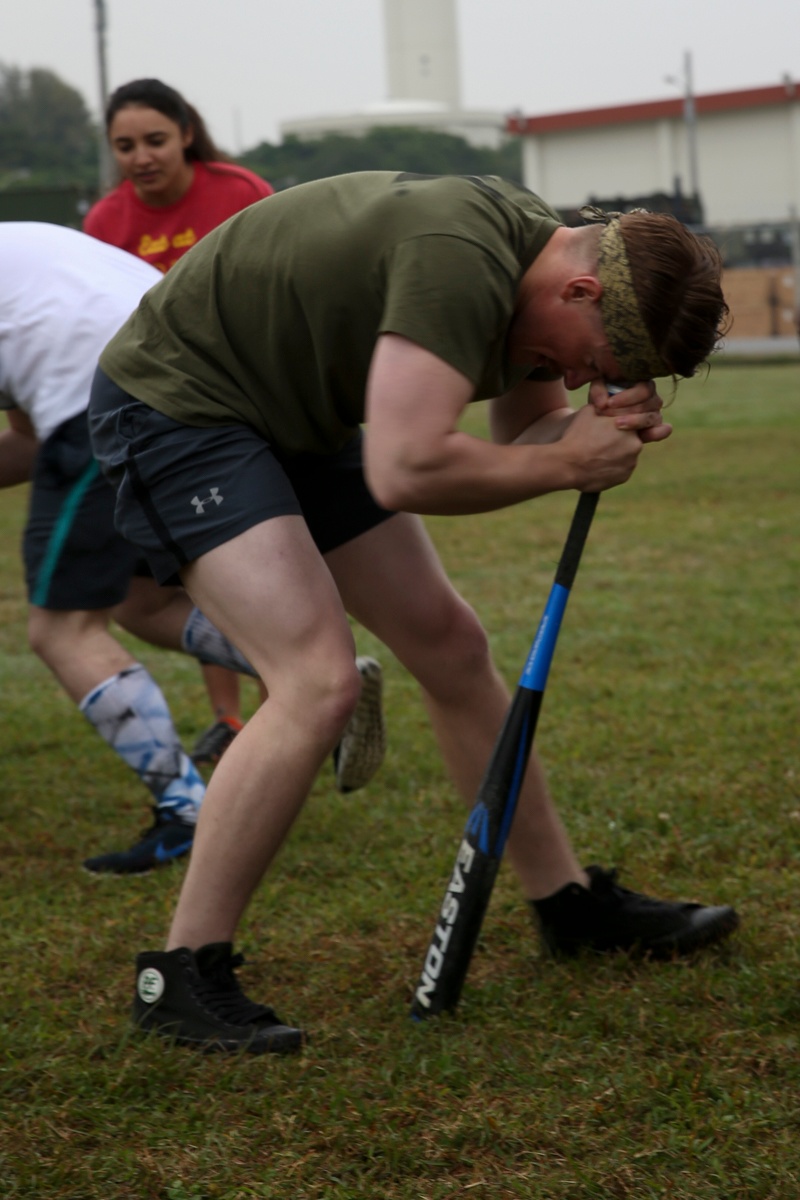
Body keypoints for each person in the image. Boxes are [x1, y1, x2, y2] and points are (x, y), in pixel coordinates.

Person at [89, 172, 739, 1054]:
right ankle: (179, 974)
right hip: (182, 406)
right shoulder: (459, 260)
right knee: (316, 682)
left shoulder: (535, 277)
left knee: (451, 643)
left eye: (607, 377)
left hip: (294, 422)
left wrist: (594, 437)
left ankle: (566, 905)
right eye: (601, 360)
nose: (584, 378)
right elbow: (406, 470)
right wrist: (567, 464)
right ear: (581, 290)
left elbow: (520, 440)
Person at [0, 221, 384, 876]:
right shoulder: (25, 252)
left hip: (103, 392)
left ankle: (184, 811)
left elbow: (49, 423)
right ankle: (314, 674)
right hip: (188, 371)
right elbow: (28, 439)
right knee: (139, 601)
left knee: (62, 630)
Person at [84, 77, 276, 762]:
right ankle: (228, 721)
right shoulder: (107, 220)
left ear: (186, 134)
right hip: (163, 416)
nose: (141, 157)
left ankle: (288, 708)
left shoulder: (239, 191)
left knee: (270, 565)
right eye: (125, 146)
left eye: (155, 140)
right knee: (202, 564)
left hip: (250, 402)